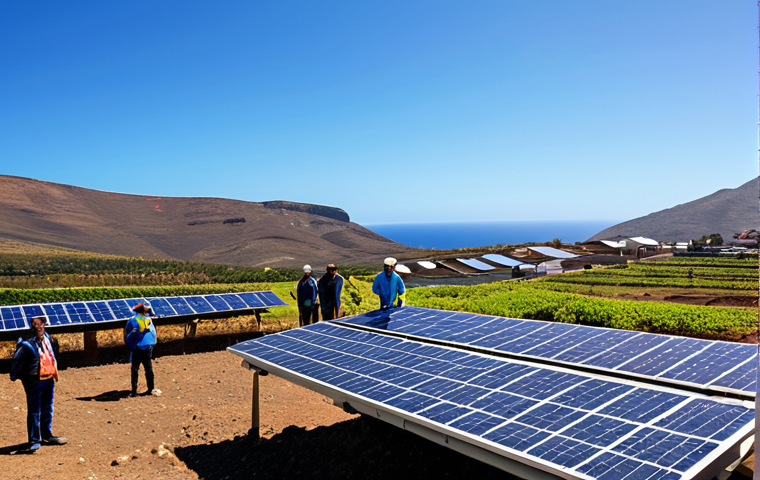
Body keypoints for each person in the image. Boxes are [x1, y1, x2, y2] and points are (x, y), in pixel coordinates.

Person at [10, 316, 67, 452]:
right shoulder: (26, 344)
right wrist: (20, 377)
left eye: (42, 324)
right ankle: (35, 440)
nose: (40, 327)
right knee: (35, 411)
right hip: (34, 381)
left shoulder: (47, 338)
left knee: (47, 408)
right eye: (36, 325)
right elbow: (17, 362)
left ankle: (47, 435)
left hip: (48, 379)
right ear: (31, 327)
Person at [124, 302, 157, 397]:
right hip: (147, 347)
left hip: (137, 348)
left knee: (134, 369)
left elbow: (128, 335)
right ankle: (151, 388)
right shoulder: (149, 320)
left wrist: (130, 346)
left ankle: (134, 391)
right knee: (148, 369)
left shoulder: (132, 320)